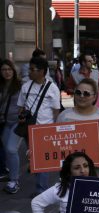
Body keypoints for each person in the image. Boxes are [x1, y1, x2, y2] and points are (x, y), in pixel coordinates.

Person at [17, 56, 62, 195]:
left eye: (32, 69)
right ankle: (40, 187)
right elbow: (20, 106)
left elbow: (56, 110)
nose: (29, 72)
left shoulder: (52, 88)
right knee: (34, 158)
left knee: (43, 160)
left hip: (44, 129)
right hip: (29, 129)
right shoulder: (26, 86)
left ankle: (41, 190)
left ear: (42, 71)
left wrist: (52, 128)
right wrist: (22, 117)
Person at [0, 60, 22, 193]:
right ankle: (12, 173)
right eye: (3, 69)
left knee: (11, 149)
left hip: (17, 122)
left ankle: (14, 180)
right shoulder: (1, 85)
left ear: (14, 71)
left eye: (9, 69)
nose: (7, 72)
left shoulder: (20, 85)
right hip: (4, 122)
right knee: (7, 150)